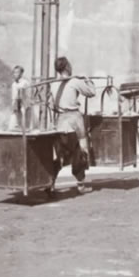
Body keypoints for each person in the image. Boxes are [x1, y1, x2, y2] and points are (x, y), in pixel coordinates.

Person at [51, 56, 96, 194]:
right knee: (80, 152)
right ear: (66, 67)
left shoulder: (53, 84)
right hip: (74, 123)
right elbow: (91, 92)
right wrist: (87, 79)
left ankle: (50, 185)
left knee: (59, 156)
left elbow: (52, 104)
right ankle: (81, 185)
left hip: (59, 124)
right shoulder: (75, 81)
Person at [8, 65, 30, 131]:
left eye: (17, 72)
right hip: (15, 105)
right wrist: (13, 104)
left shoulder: (25, 83)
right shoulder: (14, 84)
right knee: (14, 122)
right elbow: (13, 96)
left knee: (23, 122)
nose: (15, 74)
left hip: (23, 105)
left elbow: (25, 95)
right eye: (14, 72)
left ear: (21, 73)